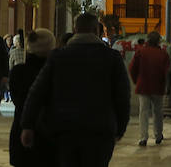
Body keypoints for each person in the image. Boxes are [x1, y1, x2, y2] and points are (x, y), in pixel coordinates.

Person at [21, 14, 131, 166]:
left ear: (75, 30)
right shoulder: (112, 58)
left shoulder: (58, 56)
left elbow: (37, 92)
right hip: (100, 130)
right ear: (96, 30)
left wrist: (27, 125)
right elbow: (122, 95)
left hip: (65, 129)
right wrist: (120, 127)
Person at [9, 28, 55, 167]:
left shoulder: (18, 72)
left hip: (21, 128)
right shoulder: (54, 73)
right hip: (48, 132)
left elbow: (16, 99)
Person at [129, 30, 169, 146]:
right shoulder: (163, 54)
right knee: (158, 112)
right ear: (158, 41)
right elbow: (167, 72)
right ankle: (158, 135)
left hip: (143, 86)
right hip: (158, 87)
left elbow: (132, 68)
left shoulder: (140, 52)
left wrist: (136, 80)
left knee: (143, 112)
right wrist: (166, 85)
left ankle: (143, 137)